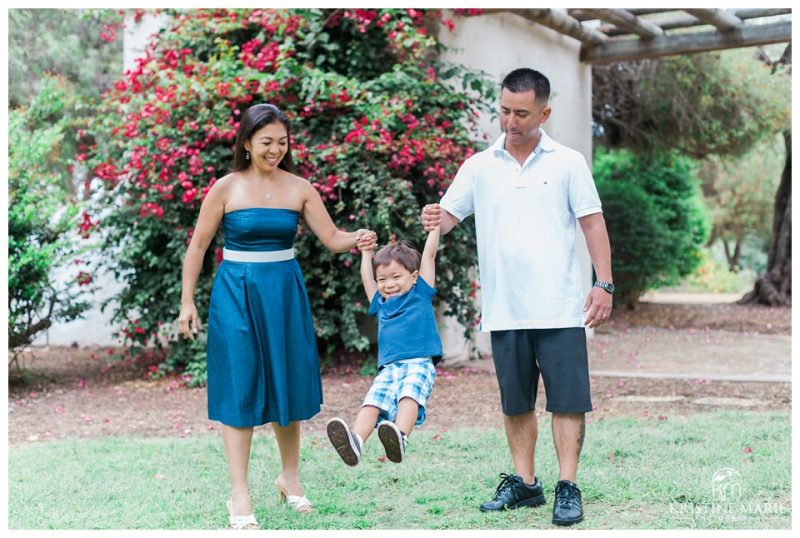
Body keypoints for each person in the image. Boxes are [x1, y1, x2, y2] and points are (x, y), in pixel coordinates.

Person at [421, 68, 613, 526]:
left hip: (563, 305)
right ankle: (525, 484)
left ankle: (567, 487)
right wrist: (437, 215)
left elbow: (592, 223)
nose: (510, 120)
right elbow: (449, 216)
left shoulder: (568, 162)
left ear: (544, 112)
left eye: (522, 113)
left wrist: (603, 283)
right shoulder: (479, 165)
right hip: (505, 308)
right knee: (516, 402)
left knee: (567, 401)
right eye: (505, 110)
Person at [177, 103, 376, 529]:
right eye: (266, 142)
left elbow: (331, 238)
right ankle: (239, 493)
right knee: (239, 386)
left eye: (282, 142)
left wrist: (357, 239)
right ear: (246, 143)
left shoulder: (300, 187)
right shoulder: (226, 187)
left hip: (284, 292)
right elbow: (197, 247)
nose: (275, 150)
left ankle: (290, 477)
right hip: (236, 292)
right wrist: (187, 301)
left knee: (288, 384)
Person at [325, 226, 442, 467]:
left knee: (409, 396)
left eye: (396, 277)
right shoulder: (380, 302)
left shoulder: (420, 292)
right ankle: (356, 441)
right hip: (388, 368)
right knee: (373, 401)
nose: (389, 284)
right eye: (383, 279)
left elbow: (429, 255)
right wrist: (366, 253)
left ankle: (399, 436)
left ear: (414, 276)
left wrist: (434, 228)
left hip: (418, 362)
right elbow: (367, 278)